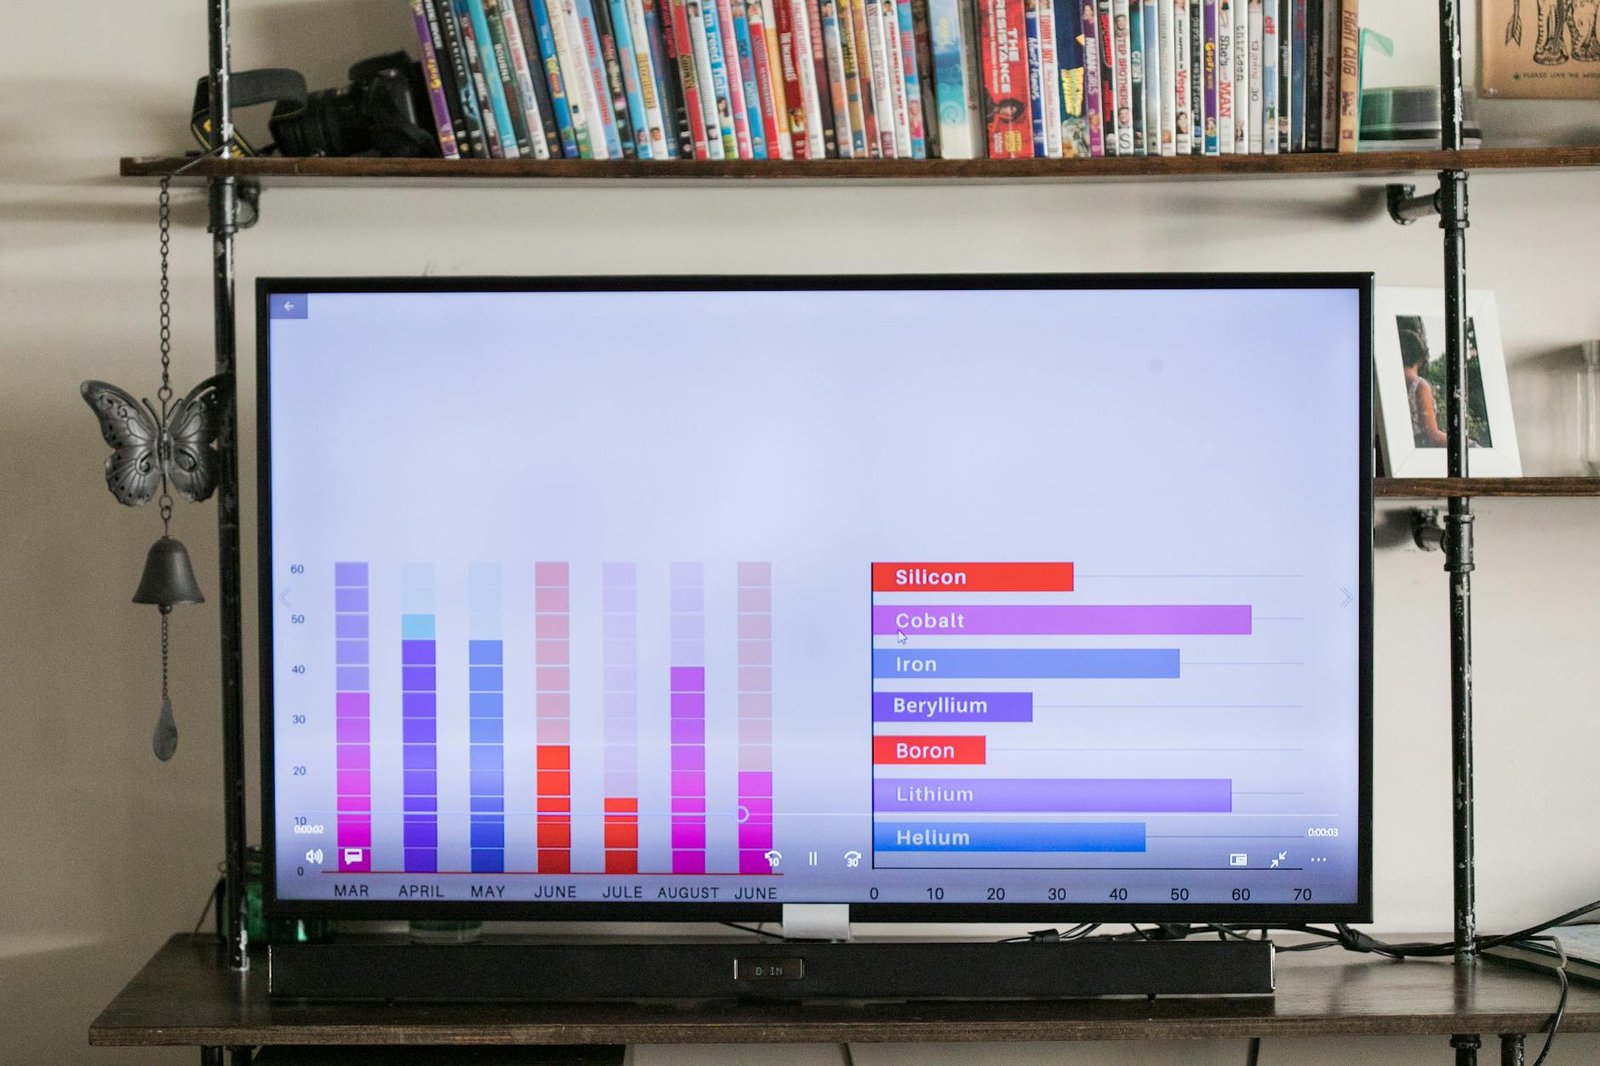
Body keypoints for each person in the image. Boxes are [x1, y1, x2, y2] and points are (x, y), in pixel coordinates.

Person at [1401, 326, 1448, 448]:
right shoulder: (1419, 386)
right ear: (1420, 356)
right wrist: (1466, 443)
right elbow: (1432, 434)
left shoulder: (1391, 384)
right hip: (1419, 451)